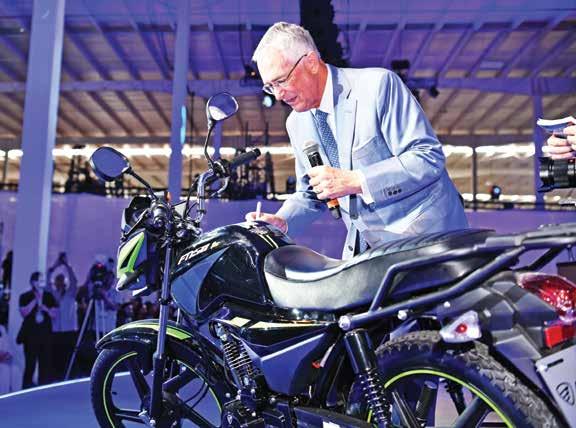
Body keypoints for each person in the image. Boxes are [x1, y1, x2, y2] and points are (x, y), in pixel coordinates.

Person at [245, 22, 468, 258]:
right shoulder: (296, 123)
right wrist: (283, 221)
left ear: (310, 62)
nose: (278, 95)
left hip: (430, 238)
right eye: (270, 87)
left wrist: (356, 180)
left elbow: (427, 158)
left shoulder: (378, 86)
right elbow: (311, 192)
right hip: (371, 248)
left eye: (281, 81)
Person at [17, 271, 58, 388]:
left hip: (45, 335)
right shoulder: (25, 296)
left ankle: (43, 388)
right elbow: (24, 313)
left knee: (45, 364)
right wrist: (35, 300)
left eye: (41, 281)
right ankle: (26, 387)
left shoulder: (49, 296)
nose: (40, 283)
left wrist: (45, 308)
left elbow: (55, 314)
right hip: (30, 336)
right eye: (37, 280)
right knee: (30, 364)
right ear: (32, 282)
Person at [47, 252, 78, 381]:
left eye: (61, 280)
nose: (59, 282)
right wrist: (56, 265)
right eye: (57, 280)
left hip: (69, 330)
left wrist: (67, 266)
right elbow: (48, 280)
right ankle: (56, 378)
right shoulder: (53, 294)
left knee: (67, 355)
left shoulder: (71, 293)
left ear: (65, 283)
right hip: (56, 330)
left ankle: (67, 377)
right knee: (56, 356)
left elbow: (74, 281)